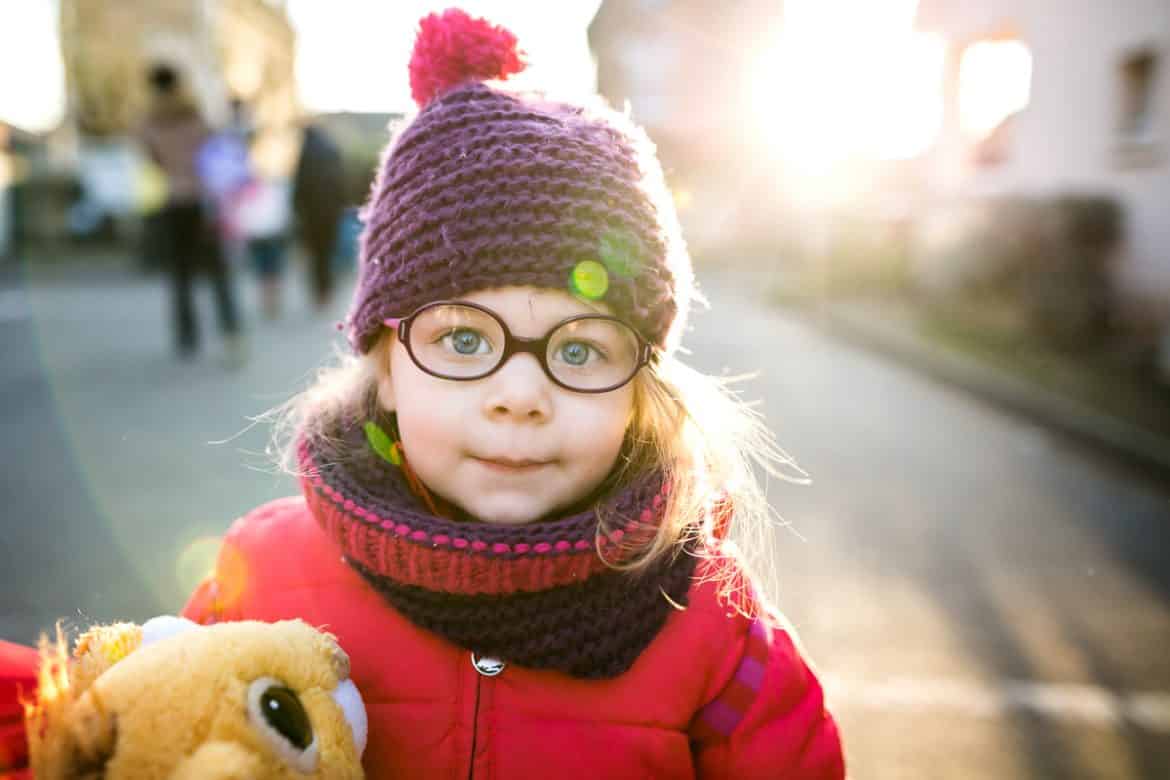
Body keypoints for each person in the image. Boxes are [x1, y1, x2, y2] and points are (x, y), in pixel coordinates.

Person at [183, 8, 844, 778]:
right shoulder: (264, 577)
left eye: (580, 348)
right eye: (464, 340)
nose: (521, 396)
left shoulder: (710, 622)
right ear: (387, 365)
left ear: (642, 386)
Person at [139, 63, 243, 364]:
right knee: (217, 271)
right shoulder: (195, 116)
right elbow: (215, 151)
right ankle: (231, 332)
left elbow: (151, 158)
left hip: (174, 201)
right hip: (204, 202)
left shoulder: (149, 122)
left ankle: (187, 338)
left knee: (180, 273)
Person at [291, 121, 347, 310]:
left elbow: (300, 187)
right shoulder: (331, 150)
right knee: (328, 252)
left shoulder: (306, 153)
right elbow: (340, 182)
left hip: (311, 215)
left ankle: (321, 293)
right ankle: (328, 289)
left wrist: (297, 210)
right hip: (331, 212)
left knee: (317, 256)